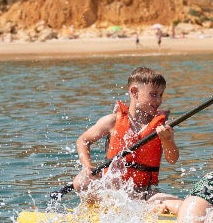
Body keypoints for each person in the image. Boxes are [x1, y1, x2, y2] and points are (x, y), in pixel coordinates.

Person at [71, 66, 179, 196]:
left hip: (146, 192)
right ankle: (94, 210)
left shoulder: (162, 128)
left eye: (161, 95)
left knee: (175, 204)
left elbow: (172, 159)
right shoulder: (112, 121)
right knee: (81, 181)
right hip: (112, 191)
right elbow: (83, 140)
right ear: (134, 92)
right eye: (153, 94)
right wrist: (87, 166)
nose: (159, 100)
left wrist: (167, 140)